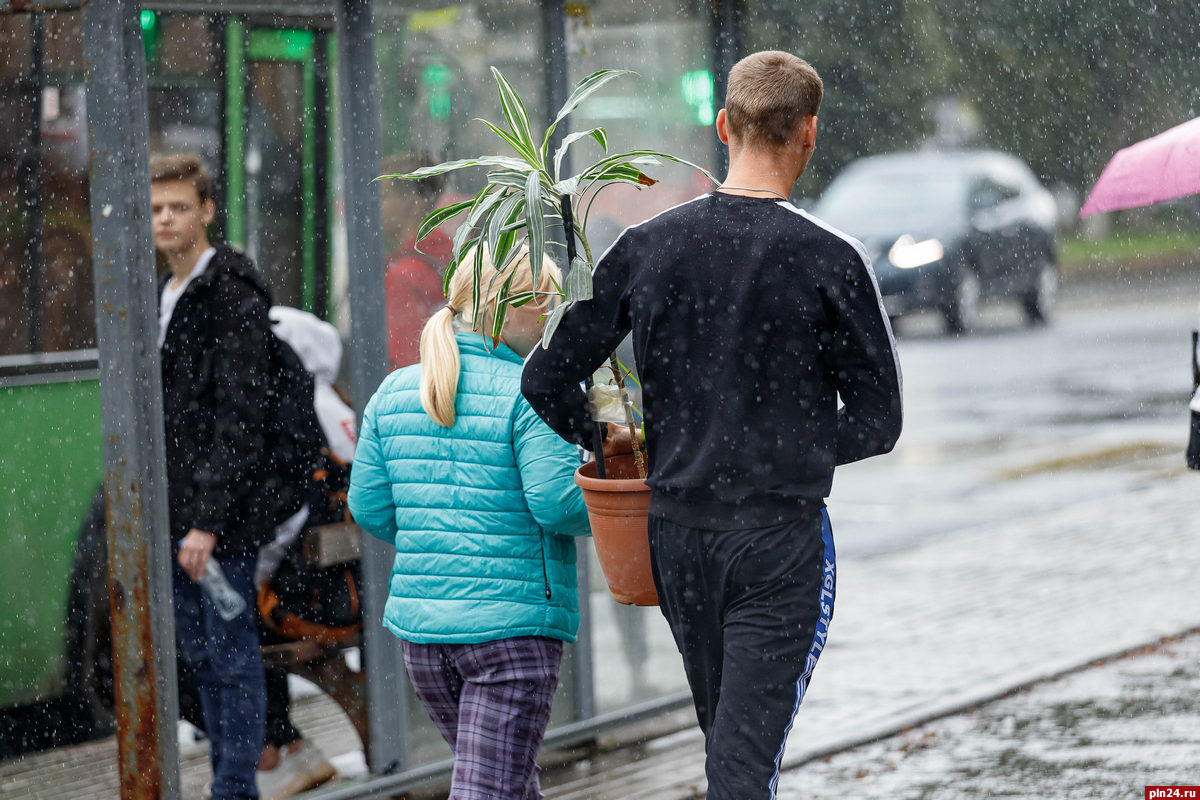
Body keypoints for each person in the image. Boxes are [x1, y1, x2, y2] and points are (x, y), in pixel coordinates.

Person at [521, 51, 903, 800]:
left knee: (727, 749)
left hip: (677, 536)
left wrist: (615, 439)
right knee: (740, 767)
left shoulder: (647, 247)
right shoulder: (831, 259)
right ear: (810, 134)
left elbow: (546, 374)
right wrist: (785, 444)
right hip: (778, 542)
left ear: (724, 126)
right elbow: (879, 420)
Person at [348, 246, 592, 800]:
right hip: (511, 633)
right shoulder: (533, 393)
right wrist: (616, 493)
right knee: (490, 790)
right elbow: (556, 504)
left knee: (501, 781)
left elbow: (369, 508)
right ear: (516, 309)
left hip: (425, 639)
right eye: (548, 307)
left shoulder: (393, 392)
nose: (555, 322)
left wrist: (441, 538)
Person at [151, 152, 273, 800]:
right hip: (177, 508)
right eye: (154, 209)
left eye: (177, 206)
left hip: (217, 518)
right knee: (198, 657)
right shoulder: (162, 290)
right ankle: (231, 779)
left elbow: (240, 416)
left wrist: (206, 520)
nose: (164, 219)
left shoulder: (230, 289)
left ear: (206, 210)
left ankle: (234, 788)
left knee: (227, 656)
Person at [253, 305, 354, 800]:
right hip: (349, 586)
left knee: (233, 618)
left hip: (317, 598)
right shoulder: (338, 406)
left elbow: (293, 518)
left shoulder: (296, 409)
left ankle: (274, 749)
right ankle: (285, 747)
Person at [380, 152, 453, 370]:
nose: (373, 206)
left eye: (382, 197)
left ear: (413, 204)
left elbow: (404, 366)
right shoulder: (448, 251)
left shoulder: (403, 275)